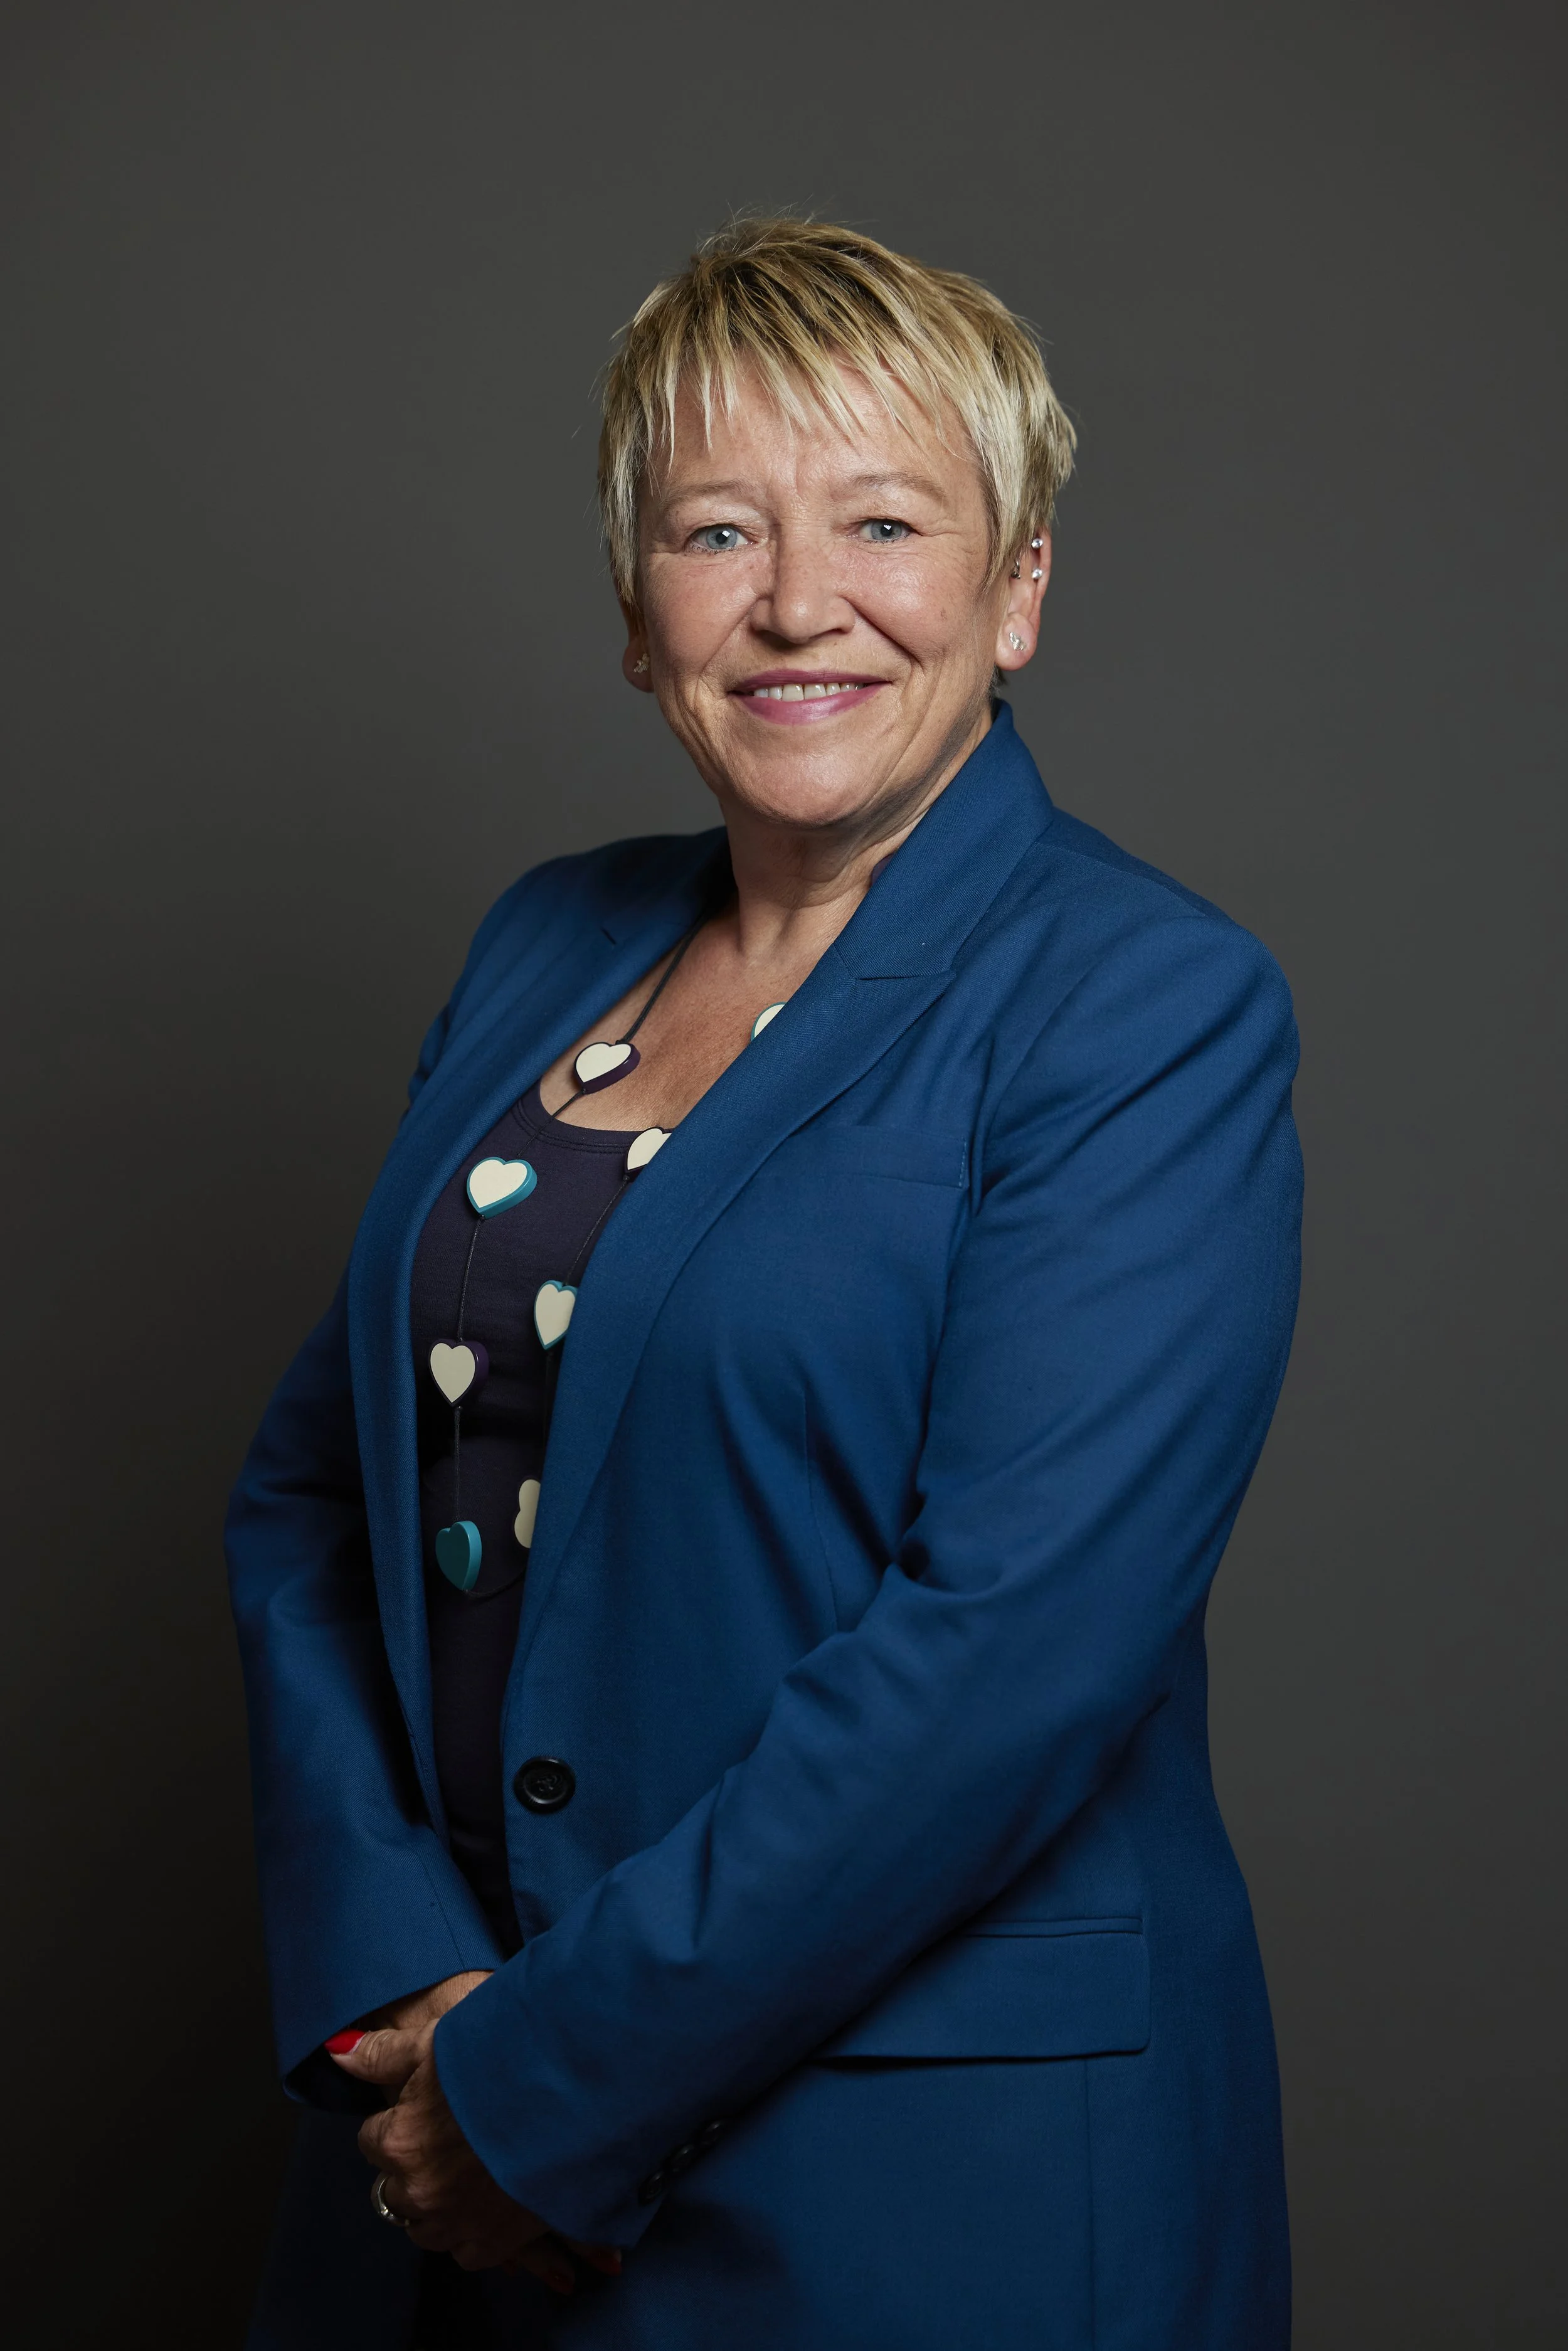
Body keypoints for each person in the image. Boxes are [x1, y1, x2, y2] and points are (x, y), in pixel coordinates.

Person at [230, 215, 1301, 2350]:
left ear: (1015, 591)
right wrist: (403, 1970)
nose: (798, 599)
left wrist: (540, 2082)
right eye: (716, 529)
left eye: (883, 522)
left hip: (919, 2169)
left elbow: (1002, 1656)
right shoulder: (544, 942)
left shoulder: (1140, 1004)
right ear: (638, 616)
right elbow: (317, 1499)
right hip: (444, 2102)